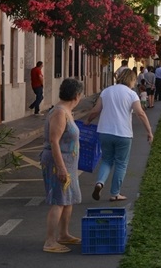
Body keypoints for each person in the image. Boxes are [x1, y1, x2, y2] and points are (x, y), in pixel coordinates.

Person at [86, 69, 153, 202]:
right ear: (131, 80)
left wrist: (88, 121)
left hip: (105, 132)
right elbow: (140, 113)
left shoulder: (106, 91)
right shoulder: (131, 94)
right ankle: (115, 193)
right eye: (134, 80)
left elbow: (96, 110)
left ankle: (100, 183)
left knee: (106, 160)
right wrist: (149, 131)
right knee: (121, 164)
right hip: (123, 133)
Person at [39, 78, 85, 253]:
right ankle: (50, 241)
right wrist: (61, 168)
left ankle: (63, 234)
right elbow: (54, 141)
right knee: (59, 200)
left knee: (68, 199)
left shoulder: (66, 111)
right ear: (76, 95)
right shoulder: (59, 113)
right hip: (58, 162)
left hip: (68, 162)